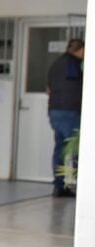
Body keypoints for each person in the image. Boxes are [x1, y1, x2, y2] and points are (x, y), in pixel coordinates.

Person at [47, 37, 84, 197]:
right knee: (74, 149)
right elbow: (79, 88)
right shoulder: (73, 65)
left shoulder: (56, 64)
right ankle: (74, 185)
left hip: (54, 111)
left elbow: (48, 88)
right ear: (80, 50)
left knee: (60, 148)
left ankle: (58, 185)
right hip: (70, 112)